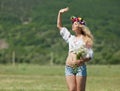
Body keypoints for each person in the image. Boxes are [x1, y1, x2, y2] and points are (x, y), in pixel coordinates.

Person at [57, 7, 94, 91]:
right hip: (69, 67)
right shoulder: (70, 38)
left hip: (79, 68)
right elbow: (59, 26)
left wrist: (81, 61)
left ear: (81, 27)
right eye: (73, 23)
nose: (73, 24)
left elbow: (90, 55)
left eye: (75, 23)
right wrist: (60, 13)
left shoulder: (85, 39)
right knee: (72, 89)